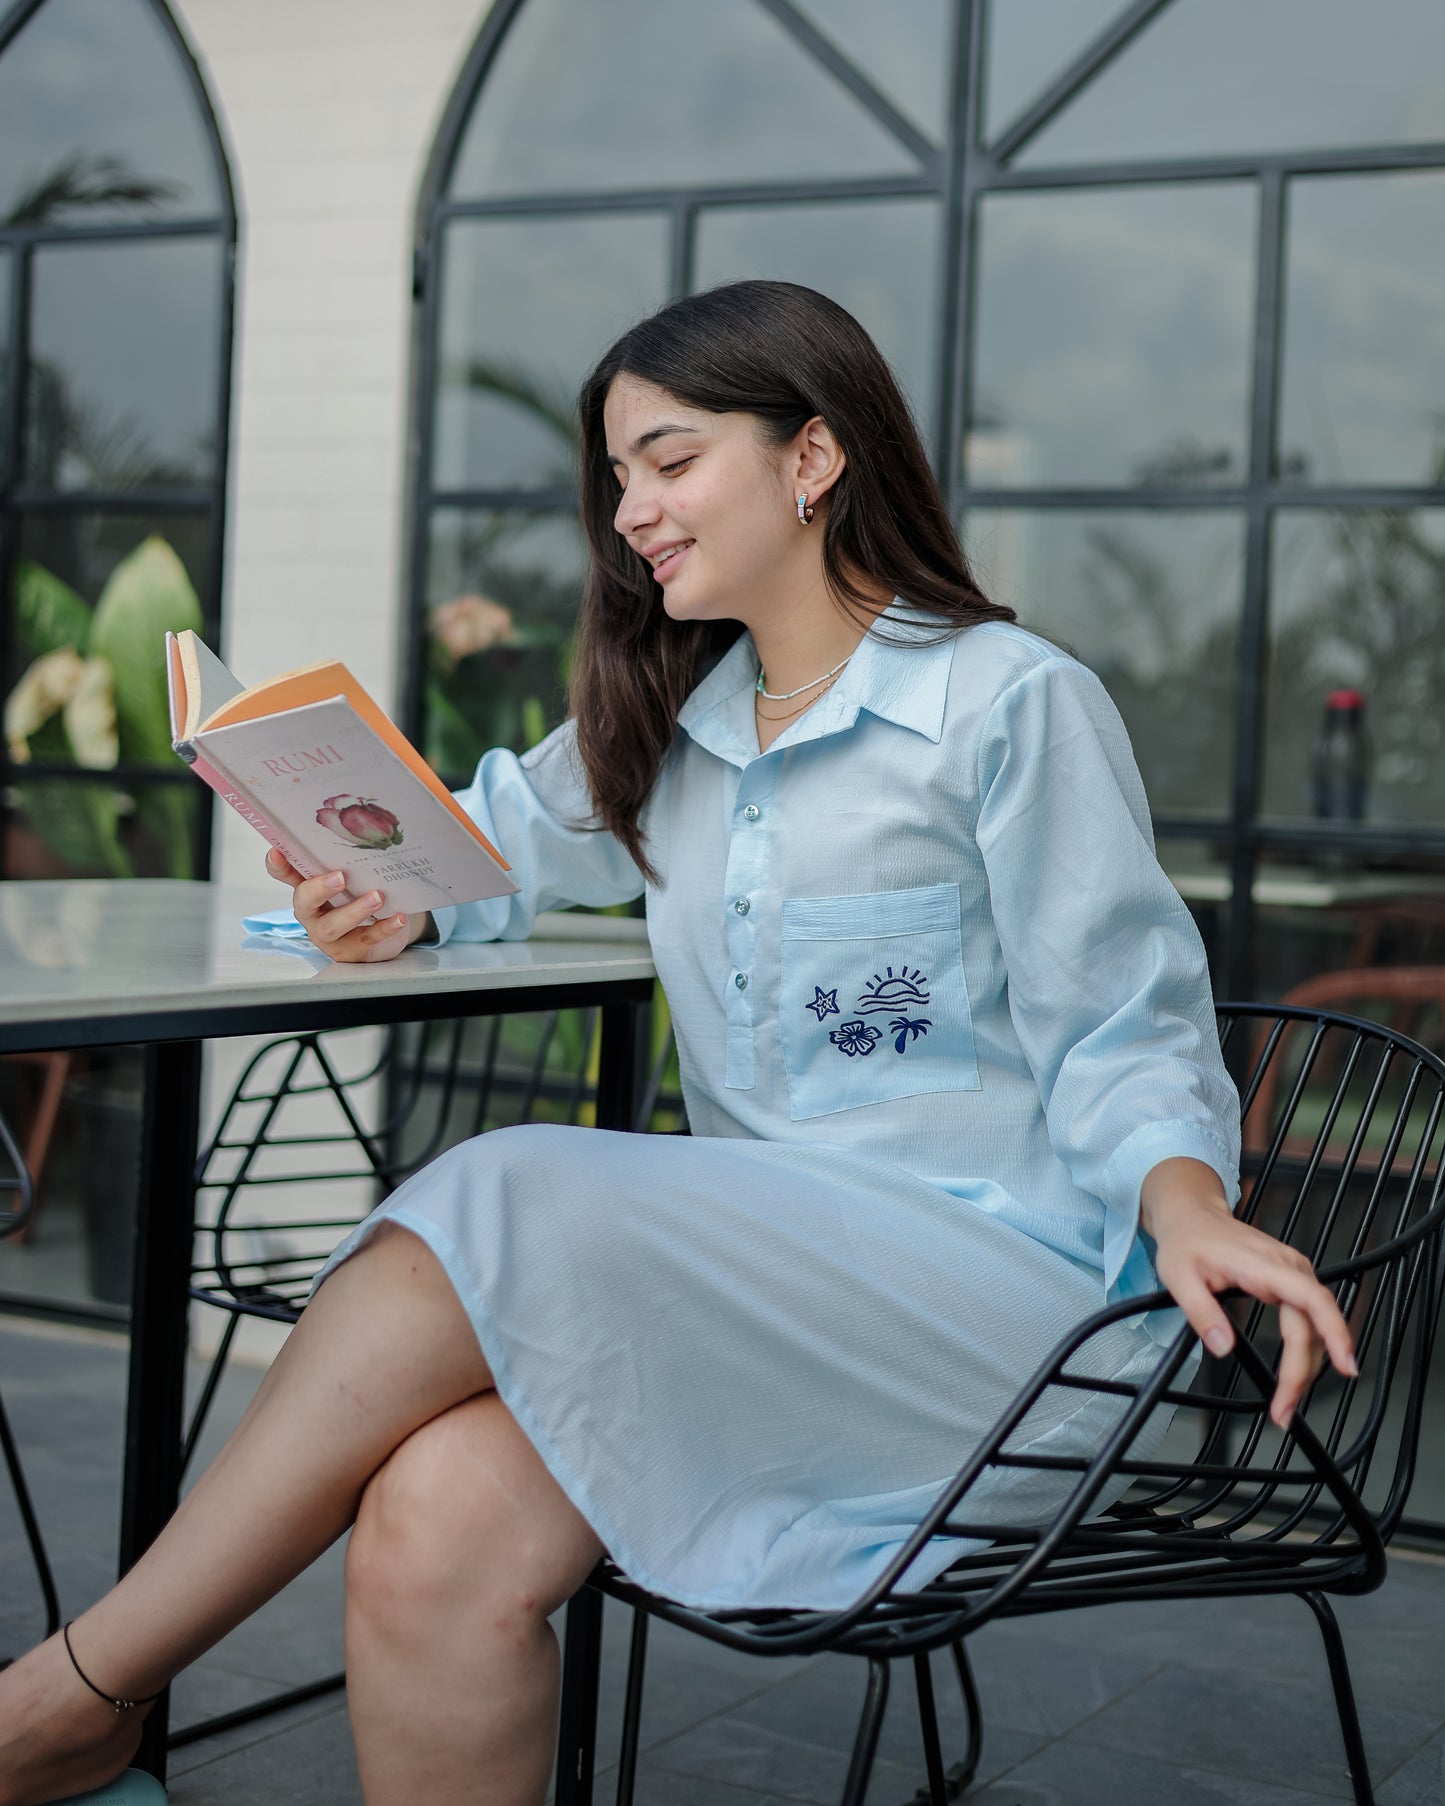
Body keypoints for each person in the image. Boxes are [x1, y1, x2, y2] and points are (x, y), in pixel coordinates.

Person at [0, 282, 1354, 1806]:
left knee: (505, 1188)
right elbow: (484, 845)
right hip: (762, 1304)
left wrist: (1186, 1204)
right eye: (618, 477)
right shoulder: (670, 719)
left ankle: (74, 1695)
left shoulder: (1003, 703)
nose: (632, 509)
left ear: (812, 456)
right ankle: (84, 1704)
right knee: (437, 1514)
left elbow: (1122, 1012)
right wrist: (392, 907)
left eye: (669, 458)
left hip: (1004, 1316)